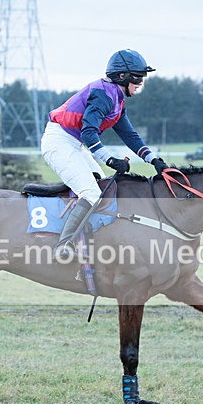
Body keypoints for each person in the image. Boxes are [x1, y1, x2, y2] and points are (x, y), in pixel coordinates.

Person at [41, 49, 168, 261]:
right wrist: (110, 160)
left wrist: (153, 160)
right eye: (137, 78)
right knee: (91, 193)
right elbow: (88, 132)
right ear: (122, 77)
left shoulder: (117, 99)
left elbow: (130, 135)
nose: (140, 83)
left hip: (75, 144)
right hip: (60, 142)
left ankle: (91, 240)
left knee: (104, 188)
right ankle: (64, 245)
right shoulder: (103, 94)